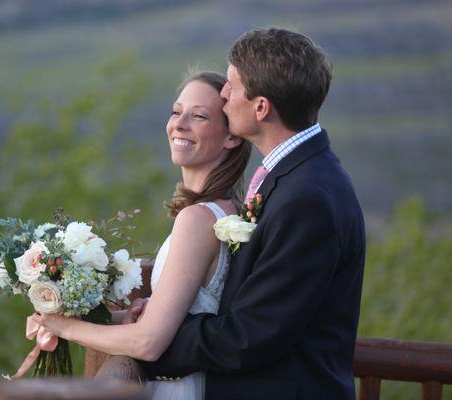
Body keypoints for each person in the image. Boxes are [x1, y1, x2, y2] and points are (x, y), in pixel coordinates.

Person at [133, 28, 366, 400]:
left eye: (231, 85)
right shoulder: (294, 175)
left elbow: (250, 336)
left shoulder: (308, 196)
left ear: (261, 107)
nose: (222, 95)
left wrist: (153, 339)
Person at [32, 71, 251, 399]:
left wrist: (63, 328)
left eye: (200, 116)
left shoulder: (198, 219)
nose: (179, 123)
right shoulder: (226, 211)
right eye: (177, 111)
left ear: (231, 136)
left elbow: (148, 343)